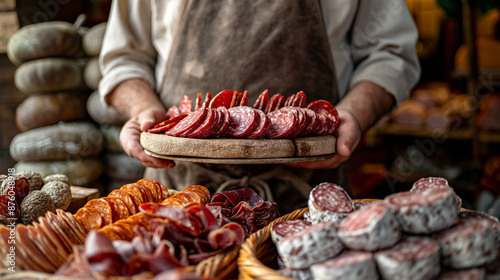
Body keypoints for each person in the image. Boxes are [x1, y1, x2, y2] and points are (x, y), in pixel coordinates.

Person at [99, 0, 420, 213]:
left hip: (310, 205)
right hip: (180, 199)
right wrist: (143, 110)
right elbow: (124, 59)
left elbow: (388, 54)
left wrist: (354, 114)